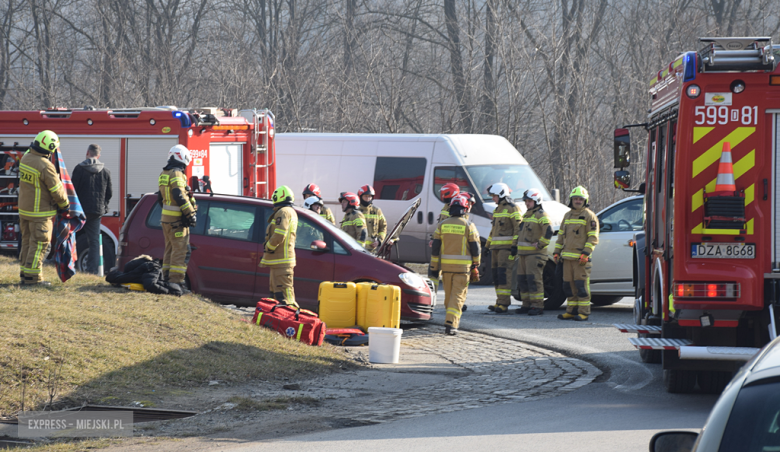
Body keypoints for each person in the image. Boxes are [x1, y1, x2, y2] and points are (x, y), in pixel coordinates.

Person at [18, 130, 69, 285]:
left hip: (25, 211)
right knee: (40, 244)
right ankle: (34, 279)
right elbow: (57, 191)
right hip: (40, 213)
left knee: (27, 243)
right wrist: (65, 205)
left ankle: (25, 275)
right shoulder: (45, 165)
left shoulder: (26, 158)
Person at [429, 195, 481, 335]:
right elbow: (475, 247)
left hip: (446, 269)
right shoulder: (469, 225)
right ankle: (451, 325)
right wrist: (476, 264)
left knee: (449, 297)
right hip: (463, 270)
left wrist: (434, 267)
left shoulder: (442, 225)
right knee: (457, 297)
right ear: (464, 209)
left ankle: (449, 320)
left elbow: (435, 248)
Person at [555, 186, 599, 321]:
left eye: (581, 199)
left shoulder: (589, 216)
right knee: (568, 286)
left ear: (585, 201)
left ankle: (584, 312)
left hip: (581, 259)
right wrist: (557, 252)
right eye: (575, 199)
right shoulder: (567, 216)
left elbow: (593, 237)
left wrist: (585, 254)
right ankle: (571, 311)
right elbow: (561, 235)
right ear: (571, 200)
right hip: (567, 259)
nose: (578, 201)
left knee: (581, 287)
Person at [158, 144, 196, 293]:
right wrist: (190, 214)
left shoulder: (164, 173)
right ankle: (176, 283)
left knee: (169, 249)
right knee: (181, 250)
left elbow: (160, 198)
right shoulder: (177, 174)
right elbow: (179, 195)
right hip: (177, 222)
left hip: (166, 220)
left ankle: (166, 278)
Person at [71, 144, 112, 274]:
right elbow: (109, 193)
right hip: (96, 211)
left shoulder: (79, 169)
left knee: (71, 238)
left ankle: (69, 266)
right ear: (98, 155)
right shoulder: (106, 171)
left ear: (87, 152)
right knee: (94, 242)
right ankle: (92, 270)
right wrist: (104, 206)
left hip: (80, 211)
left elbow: (73, 191)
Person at [515, 188, 553, 316]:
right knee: (522, 280)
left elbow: (548, 231)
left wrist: (540, 244)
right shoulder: (527, 215)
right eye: (526, 201)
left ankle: (537, 306)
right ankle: (526, 305)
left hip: (535, 255)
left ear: (536, 201)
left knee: (534, 280)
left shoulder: (542, 215)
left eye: (529, 201)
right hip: (523, 255)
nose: (527, 203)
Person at [260, 185, 299, 307]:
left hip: (281, 262)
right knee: (276, 295)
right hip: (279, 262)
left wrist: (268, 247)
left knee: (285, 298)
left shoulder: (283, 212)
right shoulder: (289, 211)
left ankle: (291, 322)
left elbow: (280, 234)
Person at [486, 183, 521, 313]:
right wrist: (487, 246)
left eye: (494, 196)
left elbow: (518, 228)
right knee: (496, 276)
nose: (493, 198)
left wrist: (514, 246)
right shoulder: (497, 210)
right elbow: (493, 231)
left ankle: (504, 303)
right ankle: (499, 301)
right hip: (495, 249)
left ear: (501, 195)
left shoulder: (513, 208)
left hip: (506, 250)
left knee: (503, 276)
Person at [357, 185, 387, 250]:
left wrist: (379, 241)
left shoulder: (377, 211)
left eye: (370, 196)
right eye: (365, 196)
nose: (368, 199)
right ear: (360, 197)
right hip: (358, 249)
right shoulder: (356, 211)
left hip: (372, 250)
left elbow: (383, 227)